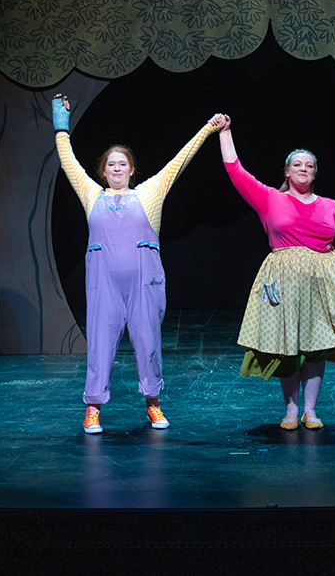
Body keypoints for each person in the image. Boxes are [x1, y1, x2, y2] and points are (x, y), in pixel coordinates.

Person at [217, 115, 335, 430]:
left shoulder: (330, 207)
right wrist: (225, 132)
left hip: (322, 282)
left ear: (316, 172)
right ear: (287, 171)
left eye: (308, 165)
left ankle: (311, 410)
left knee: (315, 345)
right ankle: (291, 410)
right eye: (297, 165)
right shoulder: (270, 199)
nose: (303, 169)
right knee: (287, 346)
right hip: (281, 281)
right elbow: (235, 170)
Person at [53, 94, 224, 434]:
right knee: (100, 344)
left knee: (148, 343)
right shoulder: (91, 195)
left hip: (144, 282)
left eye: (123, 164)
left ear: (132, 170)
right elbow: (67, 159)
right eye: (111, 165)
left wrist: (207, 129)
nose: (116, 169)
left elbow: (181, 159)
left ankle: (153, 404)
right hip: (105, 284)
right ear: (103, 171)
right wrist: (60, 121)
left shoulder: (149, 193)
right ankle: (93, 408)